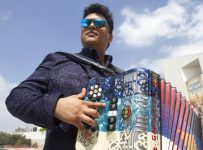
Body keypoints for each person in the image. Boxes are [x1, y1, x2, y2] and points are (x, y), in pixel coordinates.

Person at [6, 3, 121, 150]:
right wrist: (56, 106)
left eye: (99, 23)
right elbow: (16, 98)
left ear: (110, 37)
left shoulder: (121, 77)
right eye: (85, 23)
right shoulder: (58, 60)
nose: (91, 25)